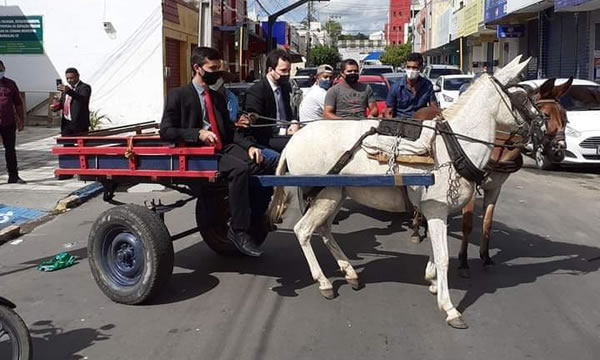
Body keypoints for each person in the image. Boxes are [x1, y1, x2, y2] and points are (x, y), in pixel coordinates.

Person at [160, 46, 270, 257]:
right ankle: (238, 231)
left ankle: (254, 218)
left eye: (219, 68)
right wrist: (197, 134)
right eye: (212, 68)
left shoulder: (218, 97)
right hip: (198, 153)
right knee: (239, 170)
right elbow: (166, 130)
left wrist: (251, 147)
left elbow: (230, 132)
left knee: (265, 163)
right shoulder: (179, 95)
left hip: (222, 147)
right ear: (197, 68)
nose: (217, 73)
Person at [243, 49, 295, 154]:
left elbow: (289, 113)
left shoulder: (285, 87)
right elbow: (255, 120)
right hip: (266, 139)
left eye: (289, 71)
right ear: (270, 70)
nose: (287, 74)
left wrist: (294, 123)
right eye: (283, 70)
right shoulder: (257, 91)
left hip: (286, 134)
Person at [384, 52, 438, 119]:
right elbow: (388, 112)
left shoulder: (427, 85)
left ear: (420, 68)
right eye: (408, 67)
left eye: (414, 67)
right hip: (401, 123)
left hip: (420, 123)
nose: (411, 70)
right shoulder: (395, 87)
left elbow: (434, 108)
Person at [0, 60, 26, 184]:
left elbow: (18, 103)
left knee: (10, 150)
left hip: (8, 122)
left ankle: (14, 176)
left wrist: (21, 120)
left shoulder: (10, 84)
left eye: (0, 69)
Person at [56, 67, 92, 135]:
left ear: (78, 76)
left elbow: (82, 99)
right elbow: (63, 104)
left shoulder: (84, 87)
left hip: (80, 124)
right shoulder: (66, 89)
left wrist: (69, 91)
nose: (69, 80)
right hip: (66, 124)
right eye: (67, 78)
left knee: (81, 145)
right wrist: (55, 107)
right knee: (67, 144)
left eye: (71, 78)